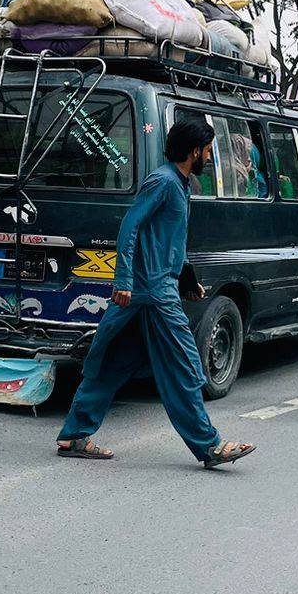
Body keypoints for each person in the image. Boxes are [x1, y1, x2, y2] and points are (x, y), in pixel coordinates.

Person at [55, 117, 255, 469]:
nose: (210, 157)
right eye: (208, 150)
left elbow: (169, 238)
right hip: (152, 291)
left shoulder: (181, 184)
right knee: (184, 365)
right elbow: (130, 227)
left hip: (155, 288)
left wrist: (187, 277)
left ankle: (74, 434)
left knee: (113, 362)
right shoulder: (162, 181)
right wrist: (123, 281)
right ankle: (209, 446)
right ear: (194, 151)